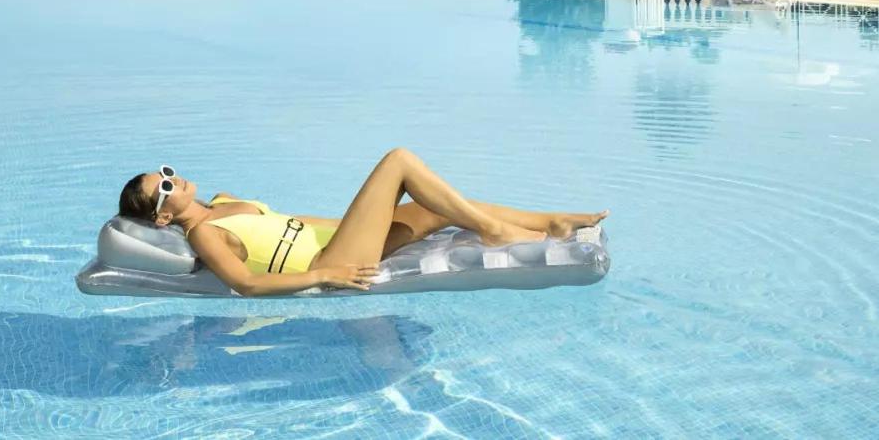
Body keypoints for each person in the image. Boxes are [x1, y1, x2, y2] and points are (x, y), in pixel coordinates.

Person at [118, 147, 609, 298]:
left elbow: (291, 221)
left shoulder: (225, 201)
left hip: (338, 238)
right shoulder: (205, 233)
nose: (172, 179)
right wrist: (323, 275)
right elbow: (245, 283)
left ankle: (552, 222)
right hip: (329, 261)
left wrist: (366, 222)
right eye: (163, 186)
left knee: (440, 207)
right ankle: (501, 232)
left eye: (166, 172)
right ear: (162, 216)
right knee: (398, 161)